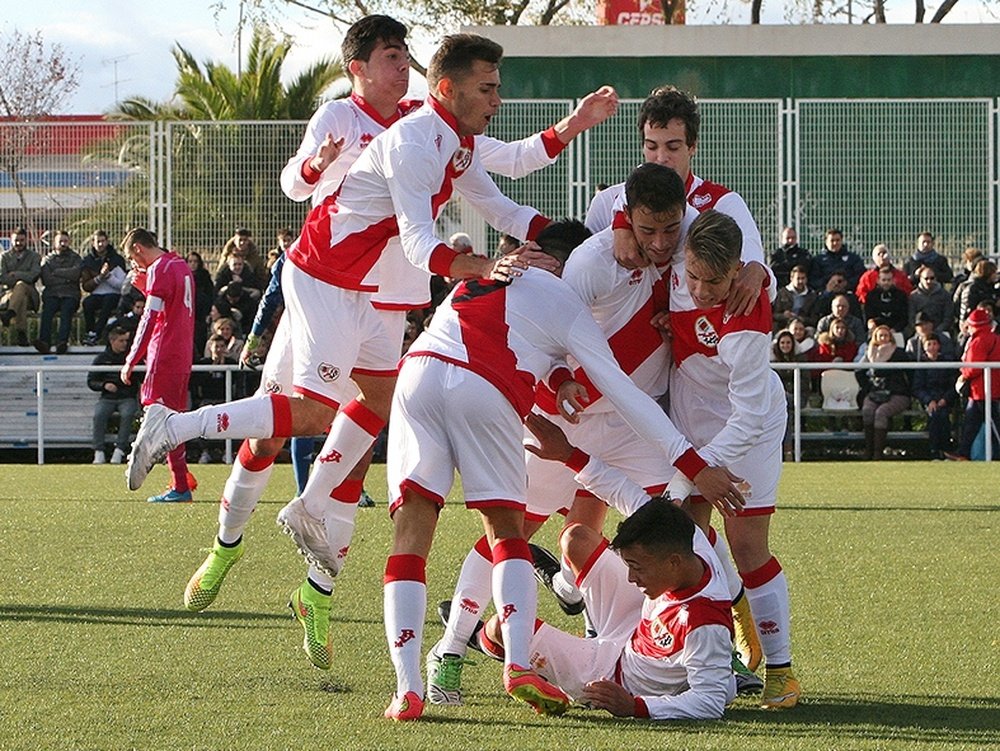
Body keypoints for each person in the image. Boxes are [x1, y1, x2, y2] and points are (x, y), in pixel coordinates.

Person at [168, 16, 618, 672]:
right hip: (329, 286)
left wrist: (572, 135)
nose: (400, 64)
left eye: (407, 54)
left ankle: (317, 588)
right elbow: (299, 183)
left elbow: (506, 168)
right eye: (389, 55)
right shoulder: (342, 120)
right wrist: (315, 166)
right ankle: (225, 544)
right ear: (357, 67)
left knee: (363, 436)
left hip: (390, 296)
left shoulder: (433, 121)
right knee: (279, 430)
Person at [383, 219, 743, 721]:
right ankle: (456, 649)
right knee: (510, 533)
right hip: (556, 420)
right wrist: (693, 460)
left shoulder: (665, 264)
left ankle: (412, 684)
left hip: (444, 377)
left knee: (668, 525)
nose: (652, 245)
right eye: (641, 234)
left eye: (661, 234)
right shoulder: (579, 272)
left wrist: (754, 277)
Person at [665, 209, 799, 709]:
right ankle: (706, 650)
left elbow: (746, 416)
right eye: (693, 276)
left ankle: (782, 671)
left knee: (747, 547)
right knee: (684, 538)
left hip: (751, 431)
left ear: (737, 270)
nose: (699, 290)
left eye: (713, 282)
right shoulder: (680, 263)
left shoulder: (747, 314)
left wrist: (699, 470)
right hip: (690, 423)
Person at [480, 496, 736, 720]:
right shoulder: (690, 548)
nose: (631, 578)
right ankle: (567, 596)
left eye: (637, 567)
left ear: (673, 562)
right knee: (576, 537)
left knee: (500, 627)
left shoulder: (703, 624)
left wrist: (634, 706)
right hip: (632, 629)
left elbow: (709, 702)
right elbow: (628, 492)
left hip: (613, 674)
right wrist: (571, 457)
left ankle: (480, 640)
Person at [120, 228, 197, 503]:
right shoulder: (181, 266)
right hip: (182, 352)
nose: (135, 264)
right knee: (173, 416)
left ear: (139, 249)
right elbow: (171, 304)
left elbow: (150, 318)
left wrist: (131, 359)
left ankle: (177, 483)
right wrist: (143, 284)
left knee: (158, 412)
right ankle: (181, 479)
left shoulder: (158, 269)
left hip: (163, 352)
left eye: (132, 257)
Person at [945, 308, 1000, 461]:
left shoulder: (979, 341)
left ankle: (963, 453)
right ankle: (963, 453)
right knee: (973, 423)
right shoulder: (993, 338)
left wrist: (963, 374)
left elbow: (974, 367)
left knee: (988, 424)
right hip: (988, 389)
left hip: (981, 390)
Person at [855, 324, 912, 460]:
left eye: (886, 335)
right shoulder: (870, 353)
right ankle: (868, 451)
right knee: (867, 411)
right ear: (875, 337)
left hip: (897, 393)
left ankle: (877, 453)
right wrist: (868, 387)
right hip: (876, 391)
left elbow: (910, 372)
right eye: (880, 335)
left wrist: (909, 390)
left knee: (882, 413)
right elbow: (858, 371)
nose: (883, 338)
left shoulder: (899, 353)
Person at [88, 326, 140, 465]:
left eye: (126, 340)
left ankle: (120, 450)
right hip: (107, 398)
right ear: (112, 341)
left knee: (128, 414)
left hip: (127, 397)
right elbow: (91, 381)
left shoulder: (131, 357)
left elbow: (141, 376)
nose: (124, 344)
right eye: (121, 340)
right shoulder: (102, 358)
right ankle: (98, 451)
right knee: (99, 415)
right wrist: (104, 385)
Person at [34, 230, 82, 354]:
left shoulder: (75, 258)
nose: (63, 243)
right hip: (52, 293)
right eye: (60, 241)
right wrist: (66, 277)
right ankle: (44, 342)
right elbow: (47, 279)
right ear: (54, 243)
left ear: (69, 242)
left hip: (70, 294)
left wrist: (56, 272)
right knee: (47, 312)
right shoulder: (47, 259)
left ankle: (62, 342)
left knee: (67, 311)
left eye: (65, 241)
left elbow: (76, 274)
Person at [911, 333, 958, 460]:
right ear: (924, 347)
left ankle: (945, 449)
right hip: (928, 399)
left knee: (942, 414)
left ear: (939, 345)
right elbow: (917, 387)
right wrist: (928, 400)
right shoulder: (921, 365)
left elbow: (953, 385)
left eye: (934, 343)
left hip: (944, 399)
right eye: (929, 344)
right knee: (936, 414)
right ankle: (935, 450)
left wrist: (945, 399)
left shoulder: (947, 363)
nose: (932, 347)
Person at [80, 230, 127, 346]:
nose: (101, 244)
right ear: (93, 243)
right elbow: (86, 286)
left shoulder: (117, 260)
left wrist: (108, 276)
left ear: (107, 242)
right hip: (96, 294)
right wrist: (100, 277)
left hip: (113, 294)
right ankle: (90, 332)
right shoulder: (88, 261)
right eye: (98, 241)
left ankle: (97, 333)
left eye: (103, 241)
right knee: (88, 303)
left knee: (108, 302)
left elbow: (122, 285)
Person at [0, 227, 41, 347]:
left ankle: (10, 313)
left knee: (21, 285)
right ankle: (21, 333)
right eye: (16, 240)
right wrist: (24, 275)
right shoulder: (4, 257)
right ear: (11, 240)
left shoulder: (34, 256)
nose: (19, 243)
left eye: (22, 240)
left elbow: (34, 276)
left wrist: (15, 274)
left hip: (30, 293)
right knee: (21, 298)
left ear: (26, 240)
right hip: (8, 294)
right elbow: (1, 277)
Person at [863, 266, 910, 336]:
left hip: (896, 330)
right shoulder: (871, 296)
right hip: (876, 330)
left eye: (889, 280)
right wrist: (872, 325)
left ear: (893, 280)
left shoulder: (901, 295)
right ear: (878, 280)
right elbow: (869, 316)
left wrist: (894, 330)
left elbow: (904, 317)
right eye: (884, 280)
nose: (886, 283)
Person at [908, 264, 954, 334]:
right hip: (920, 332)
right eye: (926, 278)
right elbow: (912, 318)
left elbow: (948, 317)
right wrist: (922, 330)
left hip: (941, 332)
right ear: (920, 279)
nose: (929, 281)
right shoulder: (914, 297)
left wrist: (938, 331)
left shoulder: (944, 295)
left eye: (932, 278)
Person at [772, 264, 817, 332]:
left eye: (803, 278)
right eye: (798, 278)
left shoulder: (812, 295)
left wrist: (800, 319)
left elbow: (814, 319)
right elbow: (774, 314)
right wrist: (784, 316)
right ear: (791, 278)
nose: (800, 281)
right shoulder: (782, 293)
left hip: (803, 327)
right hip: (784, 326)